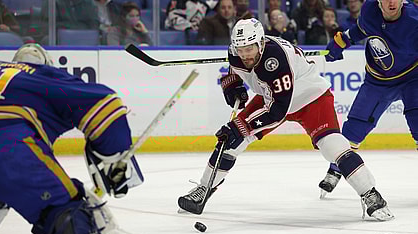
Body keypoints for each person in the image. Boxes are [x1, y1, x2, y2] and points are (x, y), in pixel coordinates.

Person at [177, 18, 394, 221]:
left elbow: (277, 111)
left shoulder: (275, 59)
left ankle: (371, 194)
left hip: (310, 96)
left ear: (261, 43)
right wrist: (233, 86)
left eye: (249, 49)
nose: (245, 55)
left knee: (333, 146)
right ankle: (204, 188)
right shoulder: (237, 52)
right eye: (241, 50)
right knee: (230, 141)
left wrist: (242, 126)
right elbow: (236, 70)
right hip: (271, 95)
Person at [0, 44, 148, 234]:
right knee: (63, 205)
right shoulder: (41, 75)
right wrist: (114, 160)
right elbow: (104, 103)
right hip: (6, 147)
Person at [318, 0, 418, 198]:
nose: (391, 2)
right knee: (355, 126)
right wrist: (339, 44)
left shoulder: (414, 19)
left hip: (412, 78)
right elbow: (359, 31)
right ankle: (335, 170)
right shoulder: (369, 10)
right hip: (378, 81)